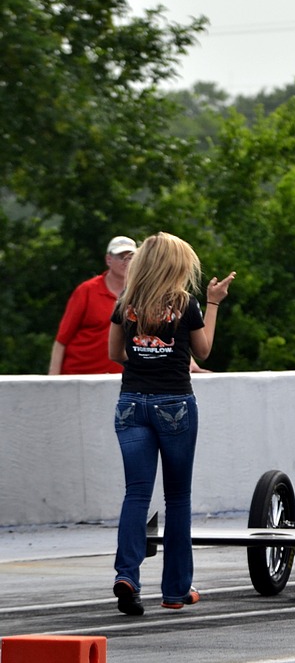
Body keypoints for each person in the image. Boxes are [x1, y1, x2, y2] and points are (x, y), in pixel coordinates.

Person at [108, 233, 235, 615]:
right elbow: (204, 350)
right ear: (177, 266)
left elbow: (115, 354)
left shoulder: (125, 303)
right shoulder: (186, 304)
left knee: (136, 494)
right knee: (177, 498)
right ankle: (175, 591)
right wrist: (213, 303)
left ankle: (127, 575)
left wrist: (144, 352)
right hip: (175, 404)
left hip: (131, 404)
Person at [49, 236, 136, 375]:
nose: (126, 262)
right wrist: (53, 379)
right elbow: (61, 340)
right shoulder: (87, 290)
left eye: (131, 258)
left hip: (121, 378)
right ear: (109, 259)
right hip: (80, 376)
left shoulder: (140, 294)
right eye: (121, 257)